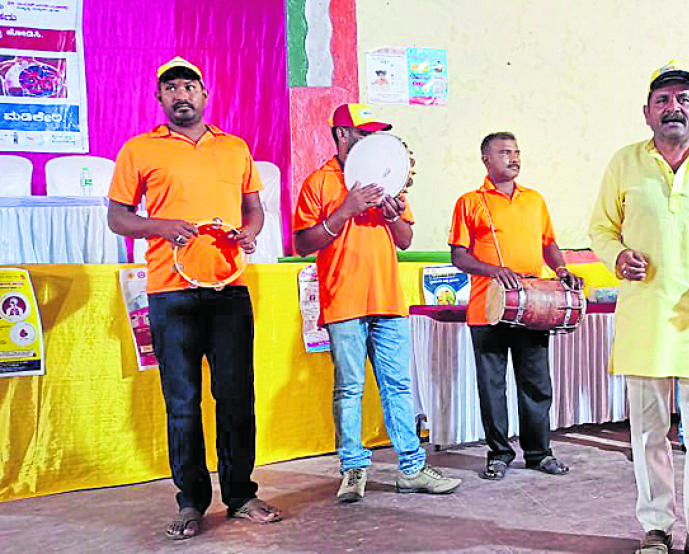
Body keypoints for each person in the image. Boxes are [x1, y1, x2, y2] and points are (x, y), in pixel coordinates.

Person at [106, 57, 279, 540]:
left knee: (236, 397)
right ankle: (191, 501)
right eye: (171, 88)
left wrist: (248, 233)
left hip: (228, 291)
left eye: (189, 86)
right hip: (170, 293)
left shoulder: (235, 147)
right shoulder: (140, 150)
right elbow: (118, 218)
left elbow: (254, 209)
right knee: (182, 404)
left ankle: (241, 494)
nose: (181, 94)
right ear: (160, 100)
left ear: (205, 95)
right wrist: (159, 226)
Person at [590, 61, 689, 554]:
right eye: (663, 100)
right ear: (647, 113)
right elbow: (600, 228)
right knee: (648, 430)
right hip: (645, 318)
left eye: (683, 100)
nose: (673, 108)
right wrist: (616, 256)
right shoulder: (624, 163)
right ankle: (656, 527)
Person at [292, 103, 462, 502]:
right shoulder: (318, 182)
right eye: (364, 134)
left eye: (376, 135)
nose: (372, 142)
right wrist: (345, 210)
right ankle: (353, 471)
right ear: (341, 135)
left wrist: (392, 215)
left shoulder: (389, 179)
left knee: (398, 387)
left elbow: (404, 240)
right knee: (349, 388)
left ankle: (412, 469)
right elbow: (301, 244)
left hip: (388, 299)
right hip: (344, 302)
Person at [448, 131, 581, 481]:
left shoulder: (534, 200)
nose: (514, 158)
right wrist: (494, 271)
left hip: (533, 306)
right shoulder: (470, 202)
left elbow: (549, 244)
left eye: (517, 152)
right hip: (487, 308)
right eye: (505, 152)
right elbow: (458, 256)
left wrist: (563, 270)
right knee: (493, 386)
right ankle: (499, 454)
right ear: (486, 160)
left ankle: (539, 453)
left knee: (536, 383)